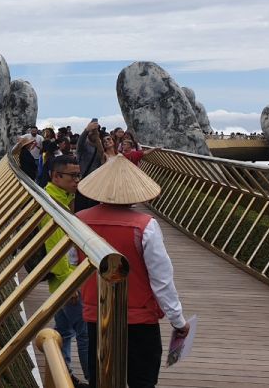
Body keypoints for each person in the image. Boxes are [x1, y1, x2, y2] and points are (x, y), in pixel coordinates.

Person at [75, 155, 189, 388]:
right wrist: (178, 320)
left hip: (97, 313)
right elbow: (161, 279)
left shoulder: (78, 221)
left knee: (102, 379)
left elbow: (74, 265)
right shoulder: (145, 225)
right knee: (142, 380)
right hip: (138, 317)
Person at [42, 155, 89, 387]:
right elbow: (55, 248)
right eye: (73, 176)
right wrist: (70, 284)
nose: (77, 180)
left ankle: (65, 374)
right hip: (66, 282)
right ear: (56, 176)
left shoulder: (63, 197)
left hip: (63, 281)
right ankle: (95, 379)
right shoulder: (51, 203)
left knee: (64, 331)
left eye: (79, 175)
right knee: (84, 332)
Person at [75, 120, 105, 211]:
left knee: (93, 207)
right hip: (83, 179)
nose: (93, 133)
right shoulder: (83, 146)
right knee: (81, 206)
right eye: (92, 131)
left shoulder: (100, 147)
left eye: (96, 131)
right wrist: (87, 130)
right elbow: (80, 141)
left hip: (95, 182)